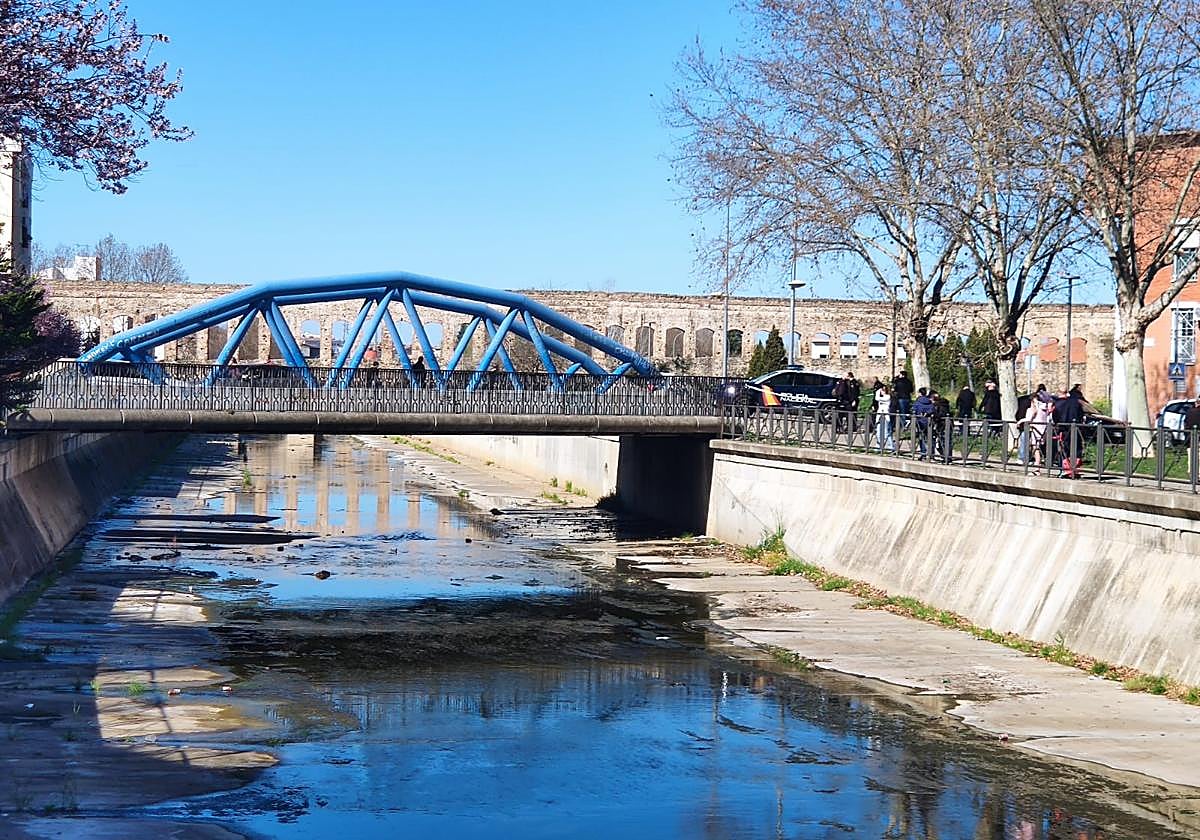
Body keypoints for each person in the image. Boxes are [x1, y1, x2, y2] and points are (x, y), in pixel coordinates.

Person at [1021, 397, 1051, 474]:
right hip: (1043, 430)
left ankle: (1037, 468)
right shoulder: (1045, 409)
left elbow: (1028, 419)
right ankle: (1038, 463)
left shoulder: (1035, 409)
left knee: (1036, 449)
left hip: (1036, 430)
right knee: (1037, 448)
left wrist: (1020, 421)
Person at [912, 387, 936, 458]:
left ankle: (923, 453)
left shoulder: (918, 402)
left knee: (921, 437)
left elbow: (914, 410)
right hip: (929, 422)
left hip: (920, 422)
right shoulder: (929, 402)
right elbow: (933, 409)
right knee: (930, 437)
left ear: (920, 393)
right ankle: (931, 453)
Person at [874, 383, 895, 453]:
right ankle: (878, 446)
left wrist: (878, 391)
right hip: (880, 415)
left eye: (883, 390)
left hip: (885, 416)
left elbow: (877, 398)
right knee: (878, 432)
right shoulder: (882, 397)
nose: (881, 392)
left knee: (886, 432)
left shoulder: (887, 397)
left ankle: (891, 447)